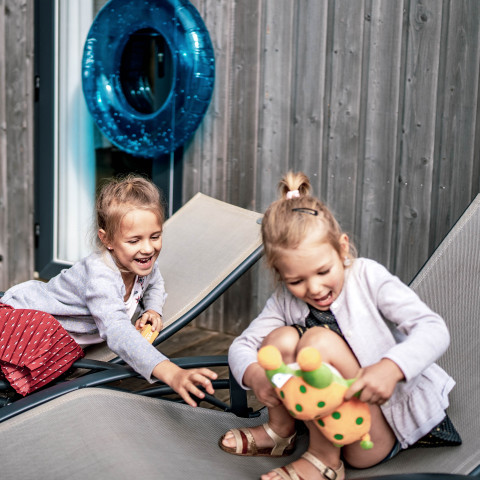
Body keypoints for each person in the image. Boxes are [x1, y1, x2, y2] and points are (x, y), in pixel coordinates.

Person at [219, 172, 461, 480]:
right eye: (296, 280)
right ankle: (281, 431)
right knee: (279, 340)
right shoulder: (284, 300)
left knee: (317, 343)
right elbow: (243, 346)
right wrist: (255, 375)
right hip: (316, 421)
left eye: (323, 271)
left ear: (342, 248)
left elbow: (433, 328)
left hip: (372, 430)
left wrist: (391, 368)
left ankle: (325, 460)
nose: (315, 288)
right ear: (280, 274)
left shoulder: (367, 277)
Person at [0, 175, 217, 406]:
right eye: (134, 241)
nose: (147, 248)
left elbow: (155, 283)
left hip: (61, 338)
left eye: (155, 236)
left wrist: (153, 309)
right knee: (36, 343)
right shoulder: (101, 276)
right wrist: (170, 372)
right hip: (22, 320)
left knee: (62, 354)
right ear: (108, 240)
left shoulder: (143, 264)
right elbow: (117, 330)